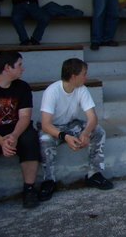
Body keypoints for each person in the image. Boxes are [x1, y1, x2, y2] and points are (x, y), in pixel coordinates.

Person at [38, 58, 113, 201]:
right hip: (55, 128)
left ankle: (94, 174)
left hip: (72, 125)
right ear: (73, 76)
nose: (86, 77)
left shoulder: (82, 89)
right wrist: (65, 136)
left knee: (98, 131)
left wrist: (84, 134)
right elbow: (46, 124)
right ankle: (49, 180)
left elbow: (92, 118)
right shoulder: (52, 91)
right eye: (84, 74)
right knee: (45, 139)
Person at [0, 51, 41, 217]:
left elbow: (25, 117)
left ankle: (29, 189)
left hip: (16, 130)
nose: (23, 68)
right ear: (7, 67)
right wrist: (1, 141)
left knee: (30, 138)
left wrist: (13, 136)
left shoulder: (22, 87)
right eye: (19, 65)